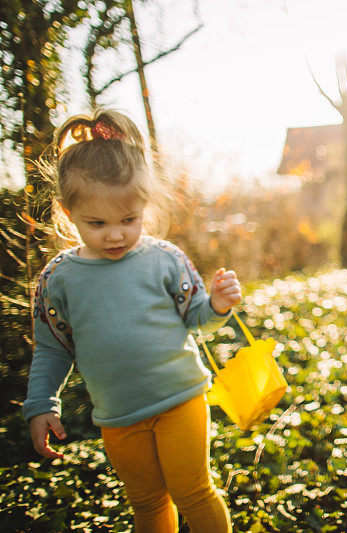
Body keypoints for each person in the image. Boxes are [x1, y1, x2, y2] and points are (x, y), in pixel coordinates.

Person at [22, 110, 241, 533]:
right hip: (118, 417)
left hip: (181, 400)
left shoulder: (164, 259)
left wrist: (215, 305)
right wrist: (42, 404)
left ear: (144, 205)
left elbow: (195, 319)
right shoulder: (58, 280)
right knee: (147, 503)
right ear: (68, 213)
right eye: (97, 223)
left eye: (129, 219)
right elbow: (52, 348)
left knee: (194, 492)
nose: (116, 235)